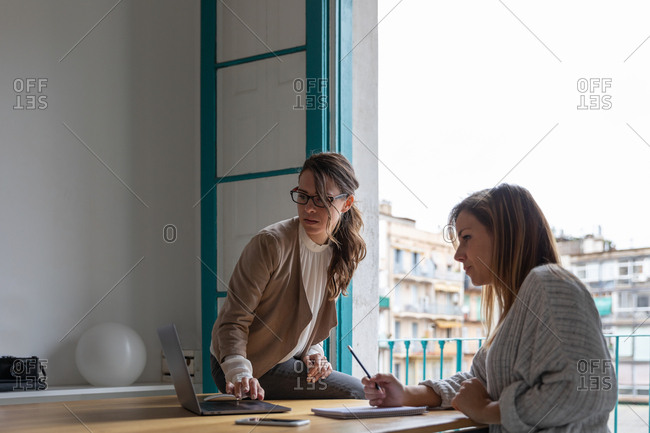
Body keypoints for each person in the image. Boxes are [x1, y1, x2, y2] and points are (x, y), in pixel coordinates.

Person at [363, 184, 617, 432]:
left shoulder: (551, 284)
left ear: (506, 235)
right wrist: (406, 394)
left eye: (466, 238)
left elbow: (593, 386)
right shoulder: (516, 310)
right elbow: (477, 383)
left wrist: (487, 411)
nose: (458, 254)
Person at [210, 152, 366, 400]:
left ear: (346, 204)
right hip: (244, 367)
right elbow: (233, 320)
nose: (310, 208)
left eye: (323, 200)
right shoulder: (271, 244)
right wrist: (239, 372)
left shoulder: (341, 252)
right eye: (303, 196)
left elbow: (307, 320)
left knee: (354, 392)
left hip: (284, 361)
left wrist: (313, 351)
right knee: (356, 392)